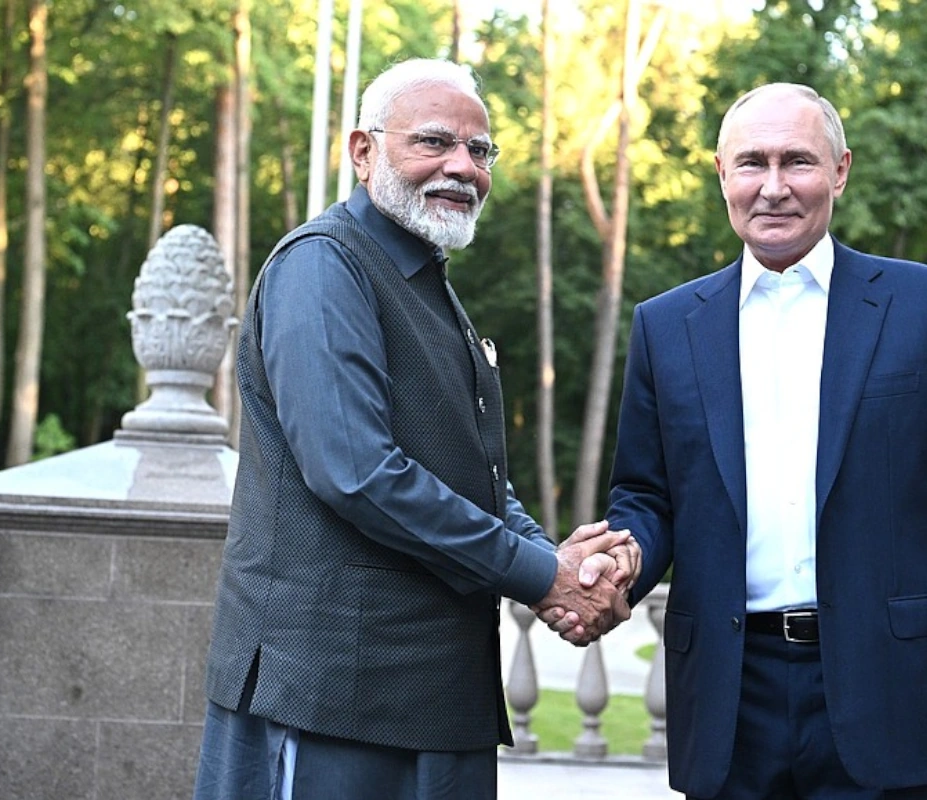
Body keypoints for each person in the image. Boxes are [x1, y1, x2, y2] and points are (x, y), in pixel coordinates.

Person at [192, 58, 633, 800]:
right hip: (331, 700)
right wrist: (543, 576)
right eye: (434, 142)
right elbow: (357, 471)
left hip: (434, 706)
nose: (462, 166)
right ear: (364, 151)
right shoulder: (324, 267)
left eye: (480, 150)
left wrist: (551, 561)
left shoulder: (426, 285)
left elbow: (476, 478)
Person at [601, 82, 927, 799]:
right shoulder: (666, 326)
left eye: (797, 161)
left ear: (840, 170)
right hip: (727, 697)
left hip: (893, 691)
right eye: (752, 163)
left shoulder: (924, 305)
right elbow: (645, 496)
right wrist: (621, 562)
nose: (773, 186)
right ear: (722, 174)